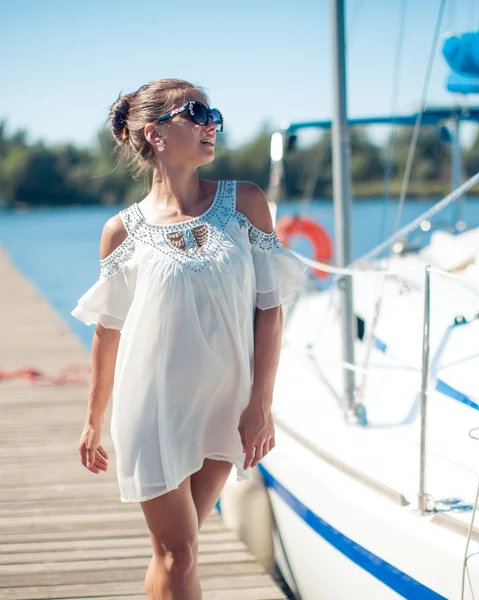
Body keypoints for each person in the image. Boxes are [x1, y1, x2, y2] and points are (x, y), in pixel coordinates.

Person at [72, 78, 306, 600]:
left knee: (180, 551)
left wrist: (259, 406)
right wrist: (93, 421)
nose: (211, 124)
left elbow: (270, 310)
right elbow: (108, 333)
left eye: (214, 113)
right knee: (178, 553)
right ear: (155, 134)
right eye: (196, 112)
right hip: (152, 409)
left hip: (225, 405)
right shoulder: (122, 230)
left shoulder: (246, 202)